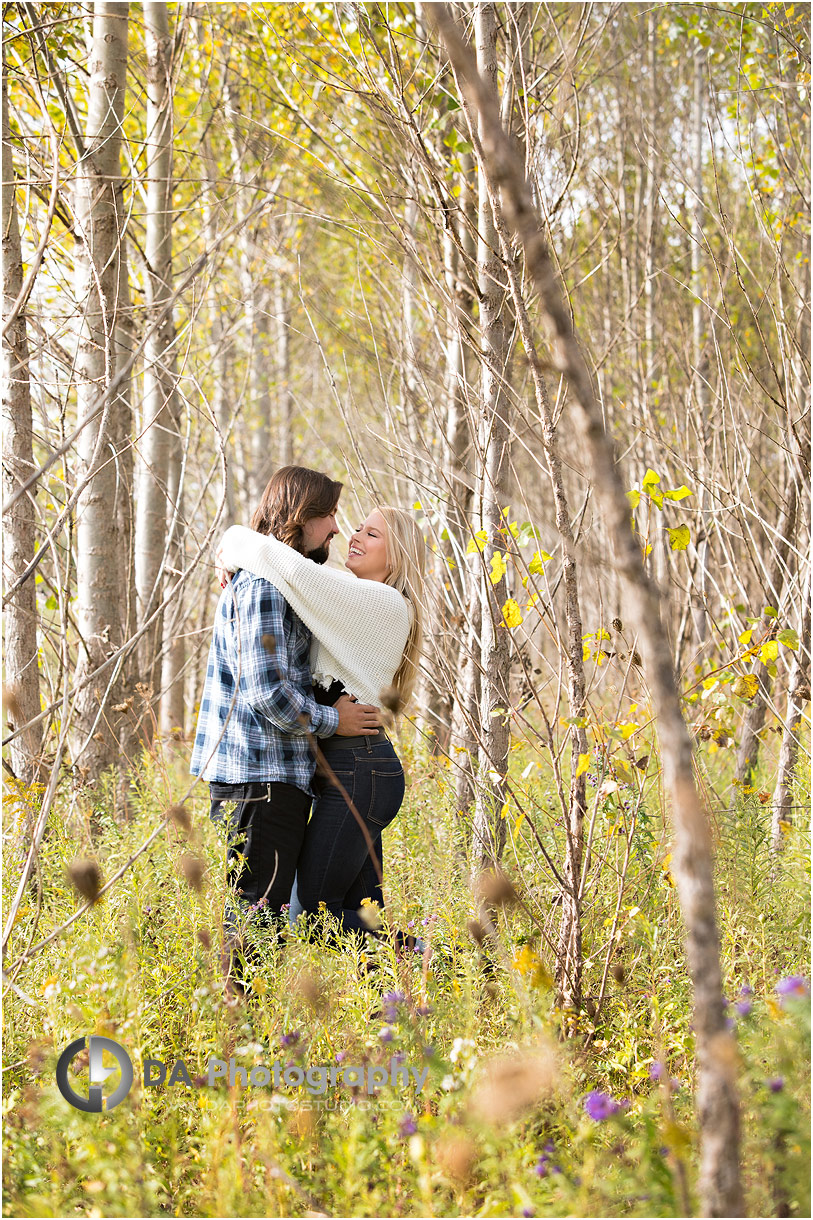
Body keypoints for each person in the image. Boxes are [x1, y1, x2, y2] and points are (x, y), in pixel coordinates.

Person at [190, 466, 382, 974]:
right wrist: (330, 721)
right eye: (329, 517)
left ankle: (248, 1037)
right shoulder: (265, 588)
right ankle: (243, 1042)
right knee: (256, 922)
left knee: (261, 922)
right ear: (302, 517)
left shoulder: (280, 580)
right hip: (260, 781)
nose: (337, 530)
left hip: (271, 779)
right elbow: (267, 693)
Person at [216, 502, 425, 936]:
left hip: (359, 770)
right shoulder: (349, 605)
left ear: (398, 553)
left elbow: (290, 570)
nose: (355, 536)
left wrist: (231, 545)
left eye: (372, 534)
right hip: (350, 771)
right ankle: (399, 1002)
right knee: (363, 914)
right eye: (358, 529)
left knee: (313, 916)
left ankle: (445, 965)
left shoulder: (382, 601)